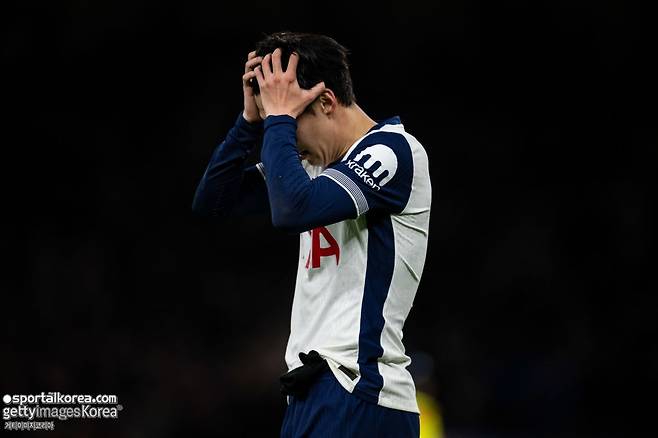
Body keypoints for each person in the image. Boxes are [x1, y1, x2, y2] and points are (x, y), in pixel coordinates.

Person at [193, 32, 431, 437]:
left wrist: (278, 121)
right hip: (312, 394)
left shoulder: (394, 151)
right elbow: (212, 203)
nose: (283, 137)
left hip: (360, 391)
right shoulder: (314, 165)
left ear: (325, 102)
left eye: (289, 120)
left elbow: (292, 212)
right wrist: (249, 123)